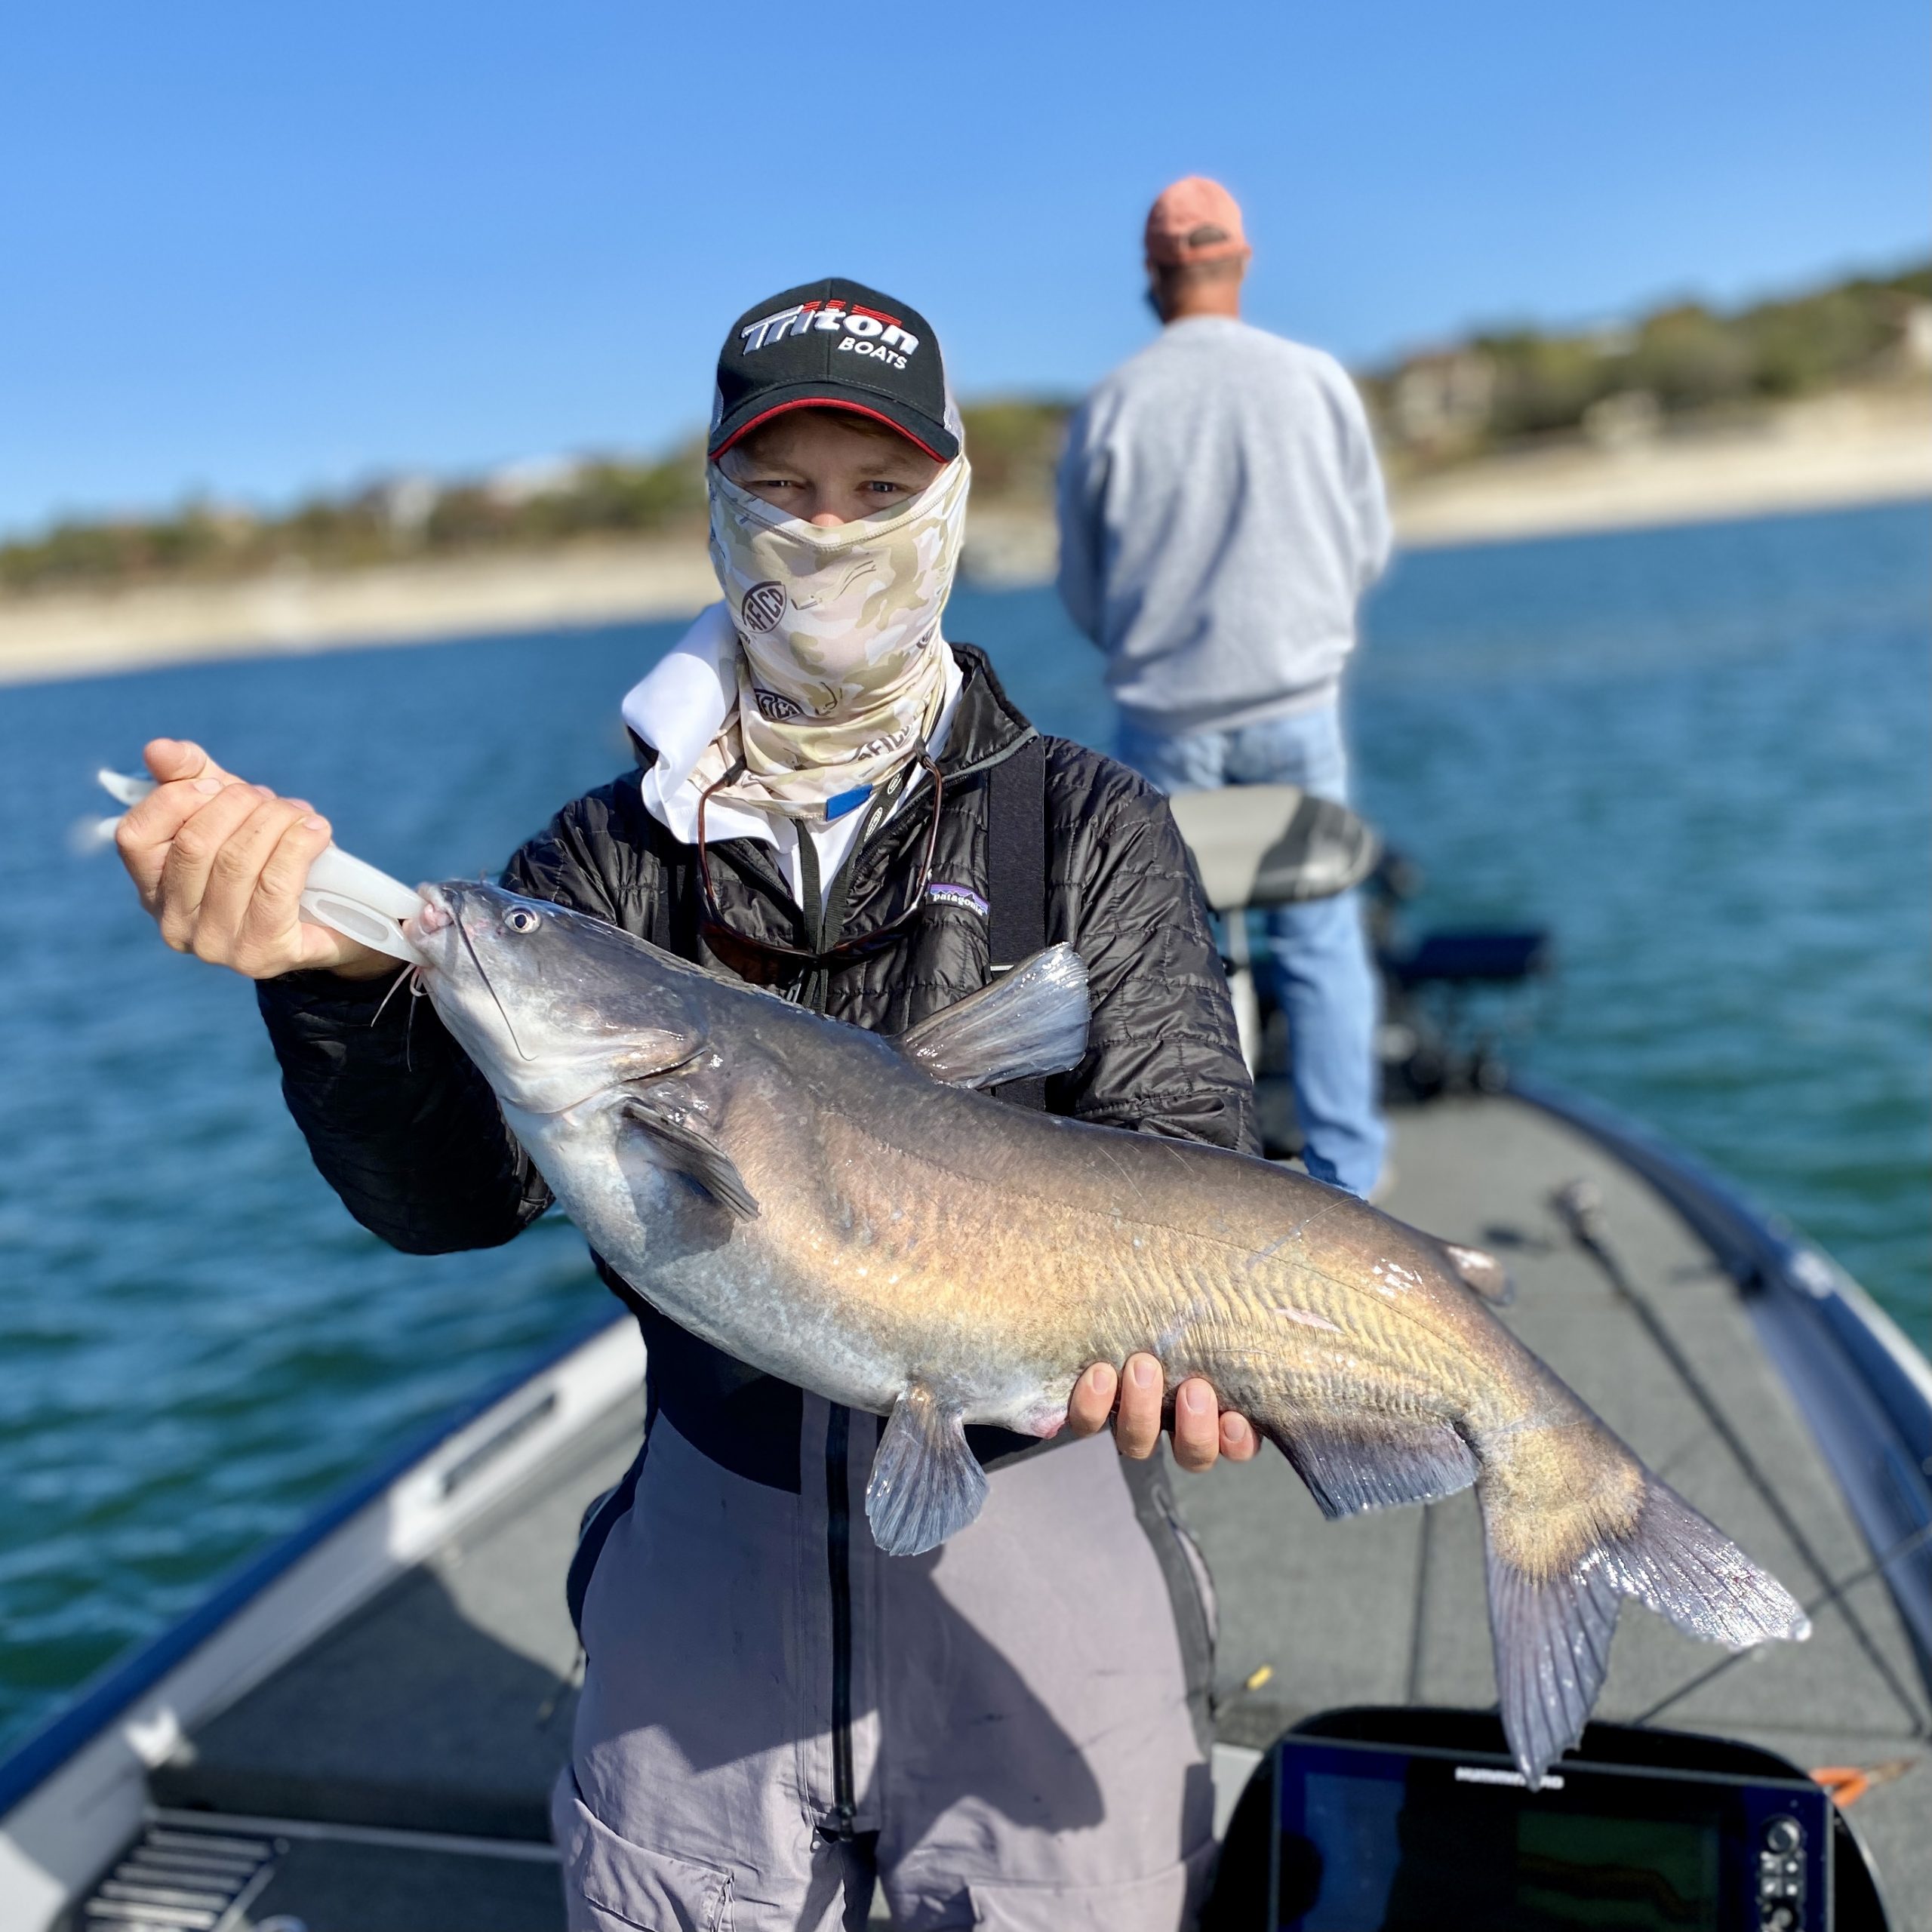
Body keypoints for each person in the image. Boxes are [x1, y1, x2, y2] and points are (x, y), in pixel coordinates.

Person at [116, 278, 1264, 1931]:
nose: (829, 534)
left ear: (947, 506)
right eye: (782, 491)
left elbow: (1185, 1151)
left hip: (1042, 1510)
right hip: (708, 1523)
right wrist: (320, 989)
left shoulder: (1087, 823)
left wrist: (1183, 1350)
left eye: (875, 492)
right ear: (716, 508)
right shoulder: (597, 866)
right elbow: (448, 1196)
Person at [1056, 177, 1392, 1198]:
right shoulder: (1314, 378)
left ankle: (1210, 1193)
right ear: (1240, 262)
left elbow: (1083, 586)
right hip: (1299, 706)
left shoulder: (1113, 403)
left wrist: (1151, 646)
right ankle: (1350, 1184)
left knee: (1173, 963)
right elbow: (1365, 543)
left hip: (1165, 718)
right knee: (1322, 940)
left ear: (1156, 279)